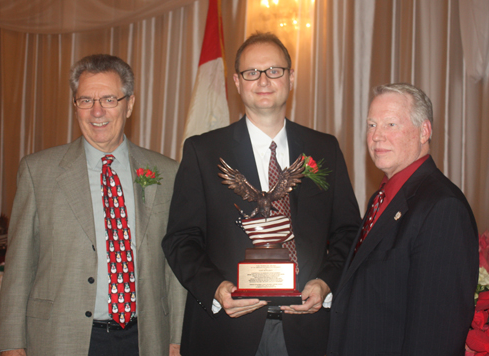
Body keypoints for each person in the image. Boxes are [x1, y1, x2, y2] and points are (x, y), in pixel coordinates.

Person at [162, 32, 361, 356]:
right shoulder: (204, 151)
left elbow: (348, 231)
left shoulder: (324, 149)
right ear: (237, 82)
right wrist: (217, 288)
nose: (263, 80)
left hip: (307, 330)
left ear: (291, 77)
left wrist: (326, 282)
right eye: (252, 72)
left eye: (274, 70)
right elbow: (181, 239)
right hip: (227, 330)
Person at [0, 54, 186, 356]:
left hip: (145, 339)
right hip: (60, 337)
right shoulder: (38, 171)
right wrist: (11, 343)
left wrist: (177, 337)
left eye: (109, 99)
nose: (97, 111)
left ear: (129, 104)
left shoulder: (167, 172)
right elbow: (19, 265)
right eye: (85, 100)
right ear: (75, 106)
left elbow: (174, 266)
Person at [327, 83, 479, 356]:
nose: (376, 137)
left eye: (391, 125)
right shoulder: (381, 199)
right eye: (371, 125)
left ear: (424, 131)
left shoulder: (443, 208)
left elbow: (437, 335)